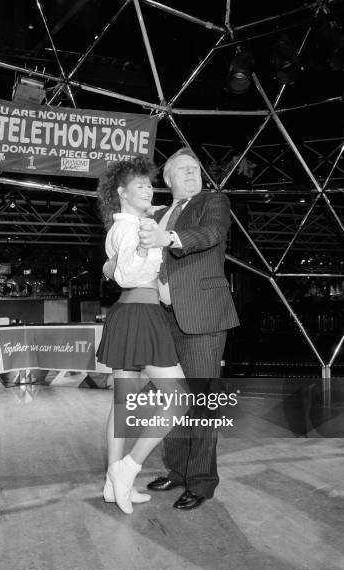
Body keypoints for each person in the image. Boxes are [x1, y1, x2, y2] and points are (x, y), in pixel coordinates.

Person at [137, 147, 240, 510]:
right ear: (167, 181)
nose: (192, 174)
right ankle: (177, 472)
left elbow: (210, 233)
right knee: (173, 401)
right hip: (164, 319)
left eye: (195, 169)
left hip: (202, 318)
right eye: (182, 170)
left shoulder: (212, 202)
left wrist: (170, 239)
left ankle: (200, 482)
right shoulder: (161, 214)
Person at [96, 156, 189, 515]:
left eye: (150, 183)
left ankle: (111, 482)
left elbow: (152, 284)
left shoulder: (138, 226)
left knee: (123, 405)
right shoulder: (129, 228)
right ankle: (127, 467)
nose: (149, 188)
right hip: (138, 315)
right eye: (140, 185)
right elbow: (126, 275)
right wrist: (151, 242)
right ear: (122, 193)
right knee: (179, 400)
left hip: (137, 312)